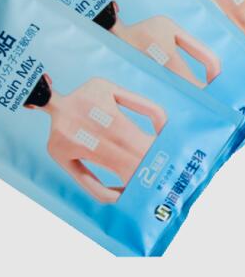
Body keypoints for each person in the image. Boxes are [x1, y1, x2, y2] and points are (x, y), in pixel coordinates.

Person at [24, 74, 167, 204]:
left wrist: (138, 193)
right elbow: (156, 112)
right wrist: (170, 146)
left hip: (144, 184)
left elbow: (103, 195)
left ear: (29, 106)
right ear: (47, 78)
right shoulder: (95, 87)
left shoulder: (56, 146)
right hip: (163, 154)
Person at [92, 1, 221, 88]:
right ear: (115, 6)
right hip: (200, 91)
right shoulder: (158, 24)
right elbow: (211, 60)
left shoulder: (112, 62)